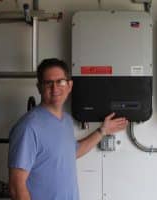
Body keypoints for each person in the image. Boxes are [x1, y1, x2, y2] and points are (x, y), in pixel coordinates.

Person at [8, 58, 128, 200]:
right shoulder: (28, 127)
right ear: (39, 87)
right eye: (48, 83)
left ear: (69, 86)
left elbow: (72, 152)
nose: (55, 88)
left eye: (60, 81)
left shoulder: (65, 120)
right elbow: (17, 186)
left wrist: (102, 131)